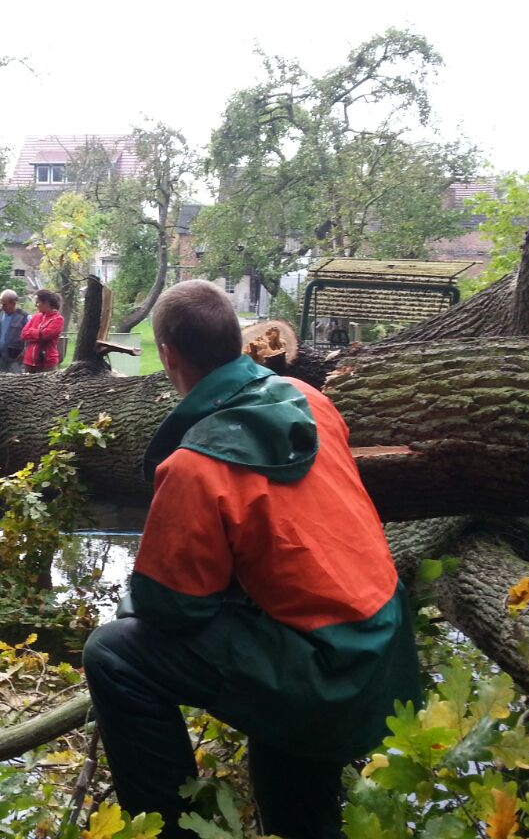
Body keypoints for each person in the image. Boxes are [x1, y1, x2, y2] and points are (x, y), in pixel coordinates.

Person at [82, 280, 420, 839]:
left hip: (324, 675)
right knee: (292, 791)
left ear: (166, 355)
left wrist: (133, 602)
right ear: (240, 343)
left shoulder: (194, 466)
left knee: (115, 653)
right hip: (382, 650)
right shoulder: (310, 398)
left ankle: (171, 831)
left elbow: (172, 610)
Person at [20, 289, 64, 373]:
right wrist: (39, 333)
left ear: (46, 302)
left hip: (47, 363)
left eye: (38, 302)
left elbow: (47, 335)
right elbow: (23, 334)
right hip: (29, 362)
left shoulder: (58, 319)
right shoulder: (36, 317)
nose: (36, 305)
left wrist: (32, 332)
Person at [0, 289, 28, 373]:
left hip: (14, 359)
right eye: (1, 303)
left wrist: (25, 351)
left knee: (14, 383)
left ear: (13, 303)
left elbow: (30, 336)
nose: (1, 306)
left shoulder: (24, 317)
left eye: (4, 304)